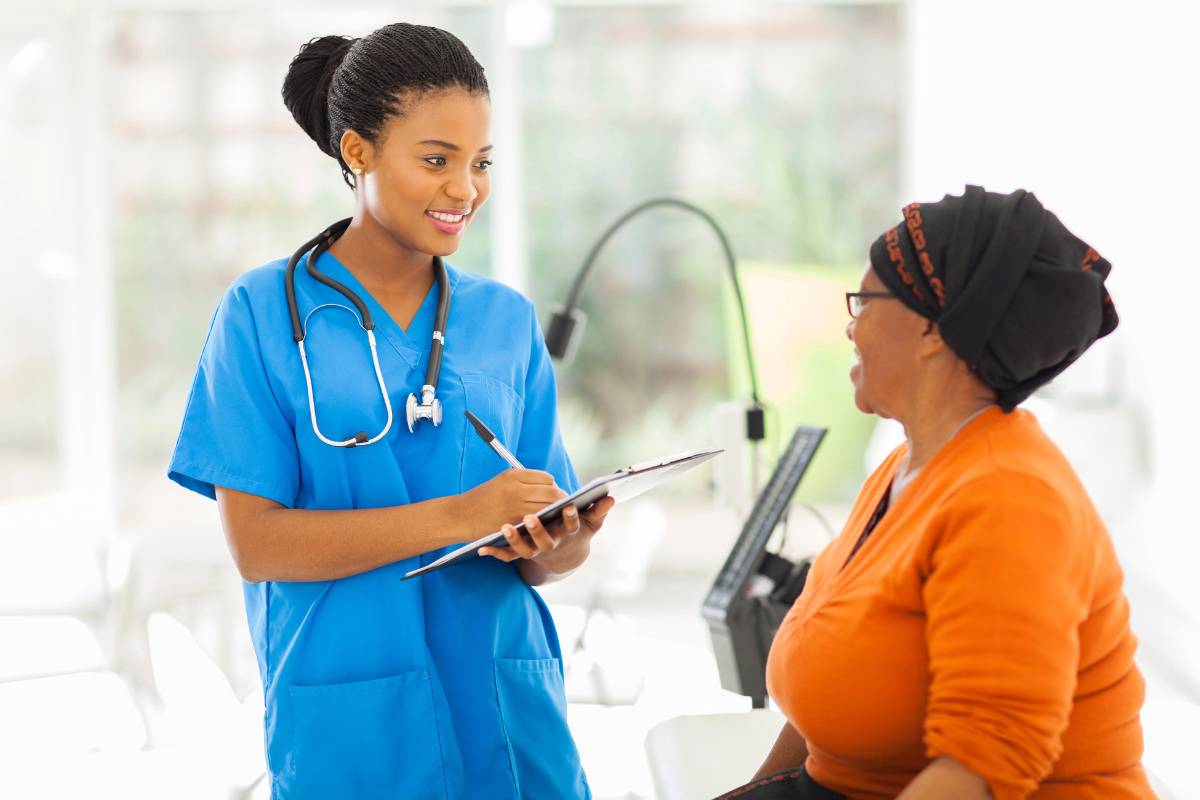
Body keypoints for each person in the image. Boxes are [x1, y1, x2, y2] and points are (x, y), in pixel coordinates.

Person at [168, 23, 612, 799]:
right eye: (435, 161)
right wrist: (460, 516)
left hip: (511, 723)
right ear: (357, 152)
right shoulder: (260, 314)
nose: (464, 190)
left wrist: (563, 538)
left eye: (479, 165)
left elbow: (545, 555)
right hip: (350, 728)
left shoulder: (505, 321)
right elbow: (259, 544)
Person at [726, 186, 1152, 799]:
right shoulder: (909, 466)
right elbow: (826, 713)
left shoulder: (1008, 500)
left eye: (864, 301)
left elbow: (981, 769)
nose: (850, 327)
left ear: (933, 328)